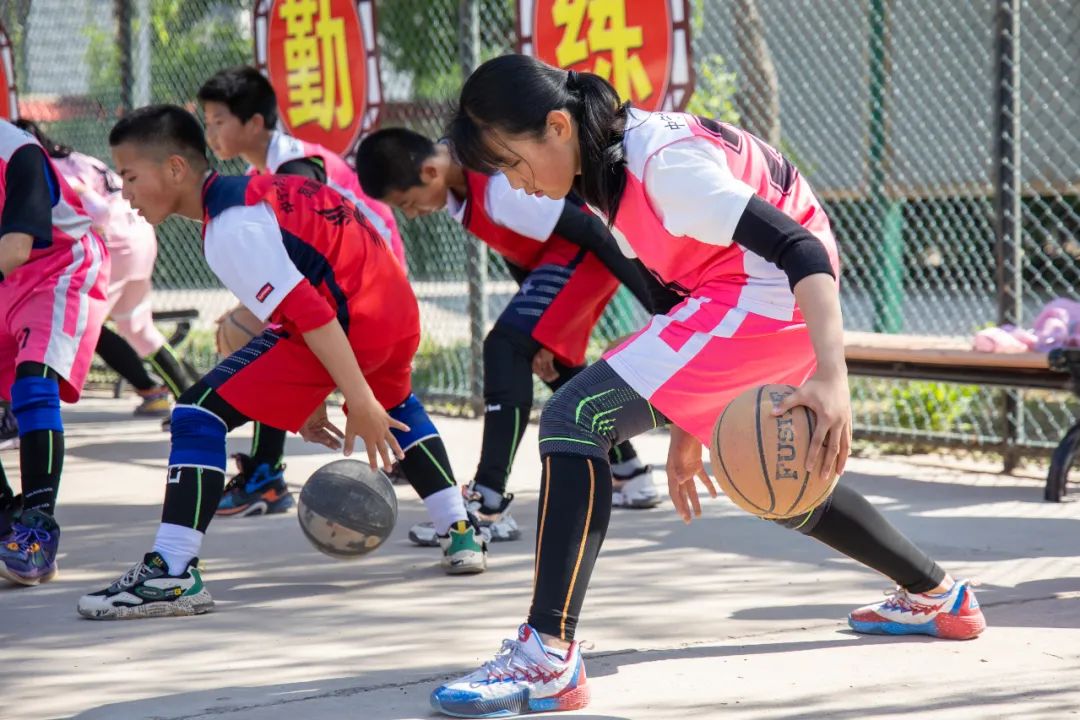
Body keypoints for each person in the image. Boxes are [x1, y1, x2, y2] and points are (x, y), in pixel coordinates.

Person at [428, 55, 987, 717]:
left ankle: (548, 652)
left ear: (557, 126)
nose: (515, 184)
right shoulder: (611, 162)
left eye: (513, 162)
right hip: (749, 297)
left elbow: (800, 249)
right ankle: (939, 595)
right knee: (772, 476)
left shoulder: (662, 166)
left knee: (576, 416)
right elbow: (676, 292)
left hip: (774, 295)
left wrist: (835, 379)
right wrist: (694, 423)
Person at [77, 106, 487, 620]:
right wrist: (315, 396)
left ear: (176, 169)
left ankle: (172, 572)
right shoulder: (264, 191)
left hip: (349, 319)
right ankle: (462, 531)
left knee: (197, 414)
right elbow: (311, 298)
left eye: (130, 178)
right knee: (400, 402)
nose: (126, 195)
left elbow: (312, 314)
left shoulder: (230, 226)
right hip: (394, 310)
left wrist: (356, 398)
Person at [356, 128, 674, 547]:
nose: (412, 215)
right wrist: (542, 331)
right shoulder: (459, 188)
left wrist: (664, 309)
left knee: (504, 346)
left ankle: (489, 503)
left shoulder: (497, 187)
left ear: (430, 171)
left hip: (592, 253)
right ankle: (630, 473)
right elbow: (520, 250)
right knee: (546, 358)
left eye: (409, 203)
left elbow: (594, 231)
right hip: (559, 258)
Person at [196, 66, 406, 518]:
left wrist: (253, 312)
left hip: (367, 276)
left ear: (253, 123)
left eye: (218, 121)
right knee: (270, 337)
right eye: (206, 122)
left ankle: (267, 473)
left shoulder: (292, 166)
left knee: (264, 339)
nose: (210, 133)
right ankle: (273, 471)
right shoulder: (267, 167)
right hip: (354, 277)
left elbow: (312, 253)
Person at [14, 119, 194, 419]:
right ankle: (184, 399)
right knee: (136, 326)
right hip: (140, 236)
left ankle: (38, 409)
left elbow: (98, 211)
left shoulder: (46, 166)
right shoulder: (74, 159)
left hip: (114, 242)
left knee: (75, 323)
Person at [0, 119, 109, 586]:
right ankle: (8, 516)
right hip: (9, 277)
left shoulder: (17, 151)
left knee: (33, 383)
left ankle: (38, 529)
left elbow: (18, 246)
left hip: (56, 269)